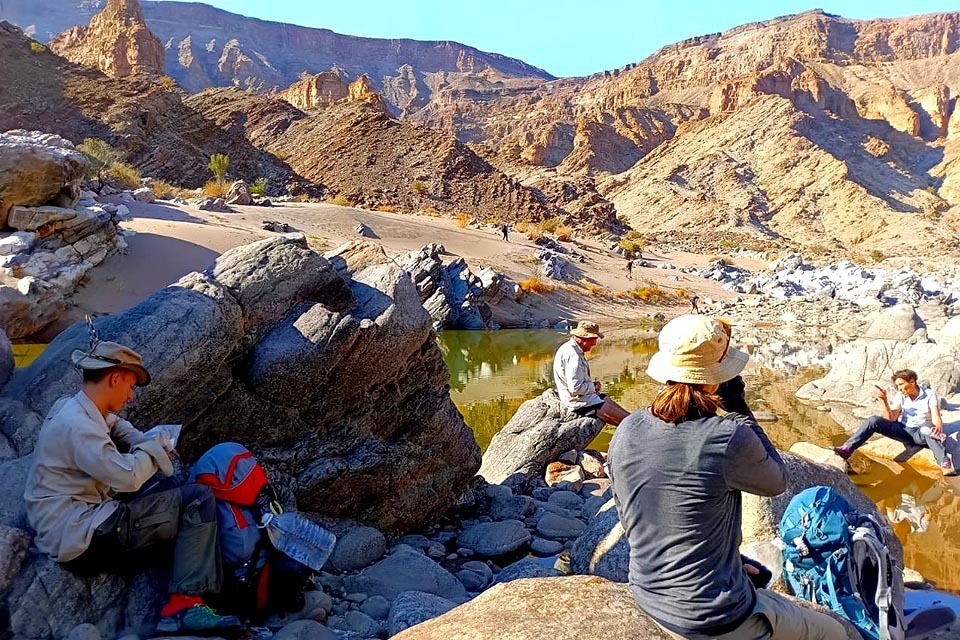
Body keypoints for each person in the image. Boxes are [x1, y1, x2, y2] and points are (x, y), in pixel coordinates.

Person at [608, 315, 845, 640]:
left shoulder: (627, 427)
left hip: (647, 591)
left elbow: (635, 513)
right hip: (711, 615)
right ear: (714, 379)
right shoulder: (727, 435)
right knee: (835, 632)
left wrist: (728, 560)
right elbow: (777, 480)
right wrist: (738, 406)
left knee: (754, 572)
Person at [24, 341, 243, 634]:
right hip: (81, 537)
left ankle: (195, 580)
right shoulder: (78, 427)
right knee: (197, 499)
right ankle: (183, 607)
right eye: (129, 386)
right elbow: (127, 477)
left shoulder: (72, 405)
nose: (130, 396)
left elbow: (114, 424)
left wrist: (142, 440)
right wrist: (155, 450)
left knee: (166, 490)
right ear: (114, 379)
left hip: (67, 522)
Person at [834, 369, 956, 476]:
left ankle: (944, 462)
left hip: (921, 432)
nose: (899, 388)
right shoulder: (900, 395)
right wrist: (884, 401)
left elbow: (935, 415)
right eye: (897, 385)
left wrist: (938, 426)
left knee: (927, 429)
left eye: (901, 384)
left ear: (912, 382)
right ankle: (847, 450)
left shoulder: (929, 394)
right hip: (905, 431)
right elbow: (891, 419)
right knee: (873, 420)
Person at [553, 320, 630, 426]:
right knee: (629, 424)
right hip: (581, 404)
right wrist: (594, 387)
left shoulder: (570, 348)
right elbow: (575, 388)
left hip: (586, 398)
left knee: (630, 418)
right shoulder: (573, 356)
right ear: (583, 338)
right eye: (593, 339)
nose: (594, 343)